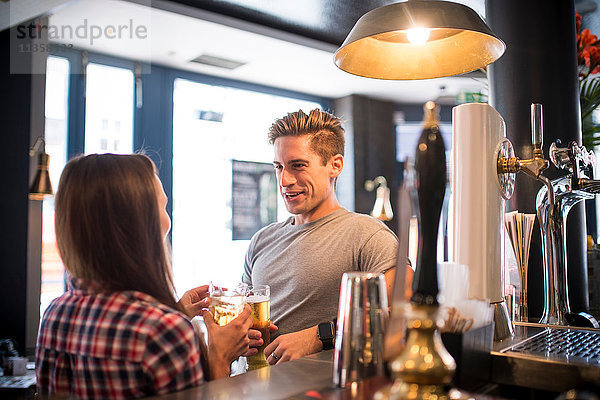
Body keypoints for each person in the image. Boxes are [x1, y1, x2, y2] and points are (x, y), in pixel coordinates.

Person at [36, 153, 255, 399]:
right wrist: (220, 358)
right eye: (163, 207)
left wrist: (176, 312)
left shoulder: (55, 314)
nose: (168, 220)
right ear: (141, 227)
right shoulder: (164, 331)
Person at [243, 109, 401, 365]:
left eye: (298, 166)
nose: (284, 180)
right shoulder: (261, 241)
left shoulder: (369, 236)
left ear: (335, 166)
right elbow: (245, 317)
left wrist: (319, 336)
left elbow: (402, 316)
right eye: (278, 167)